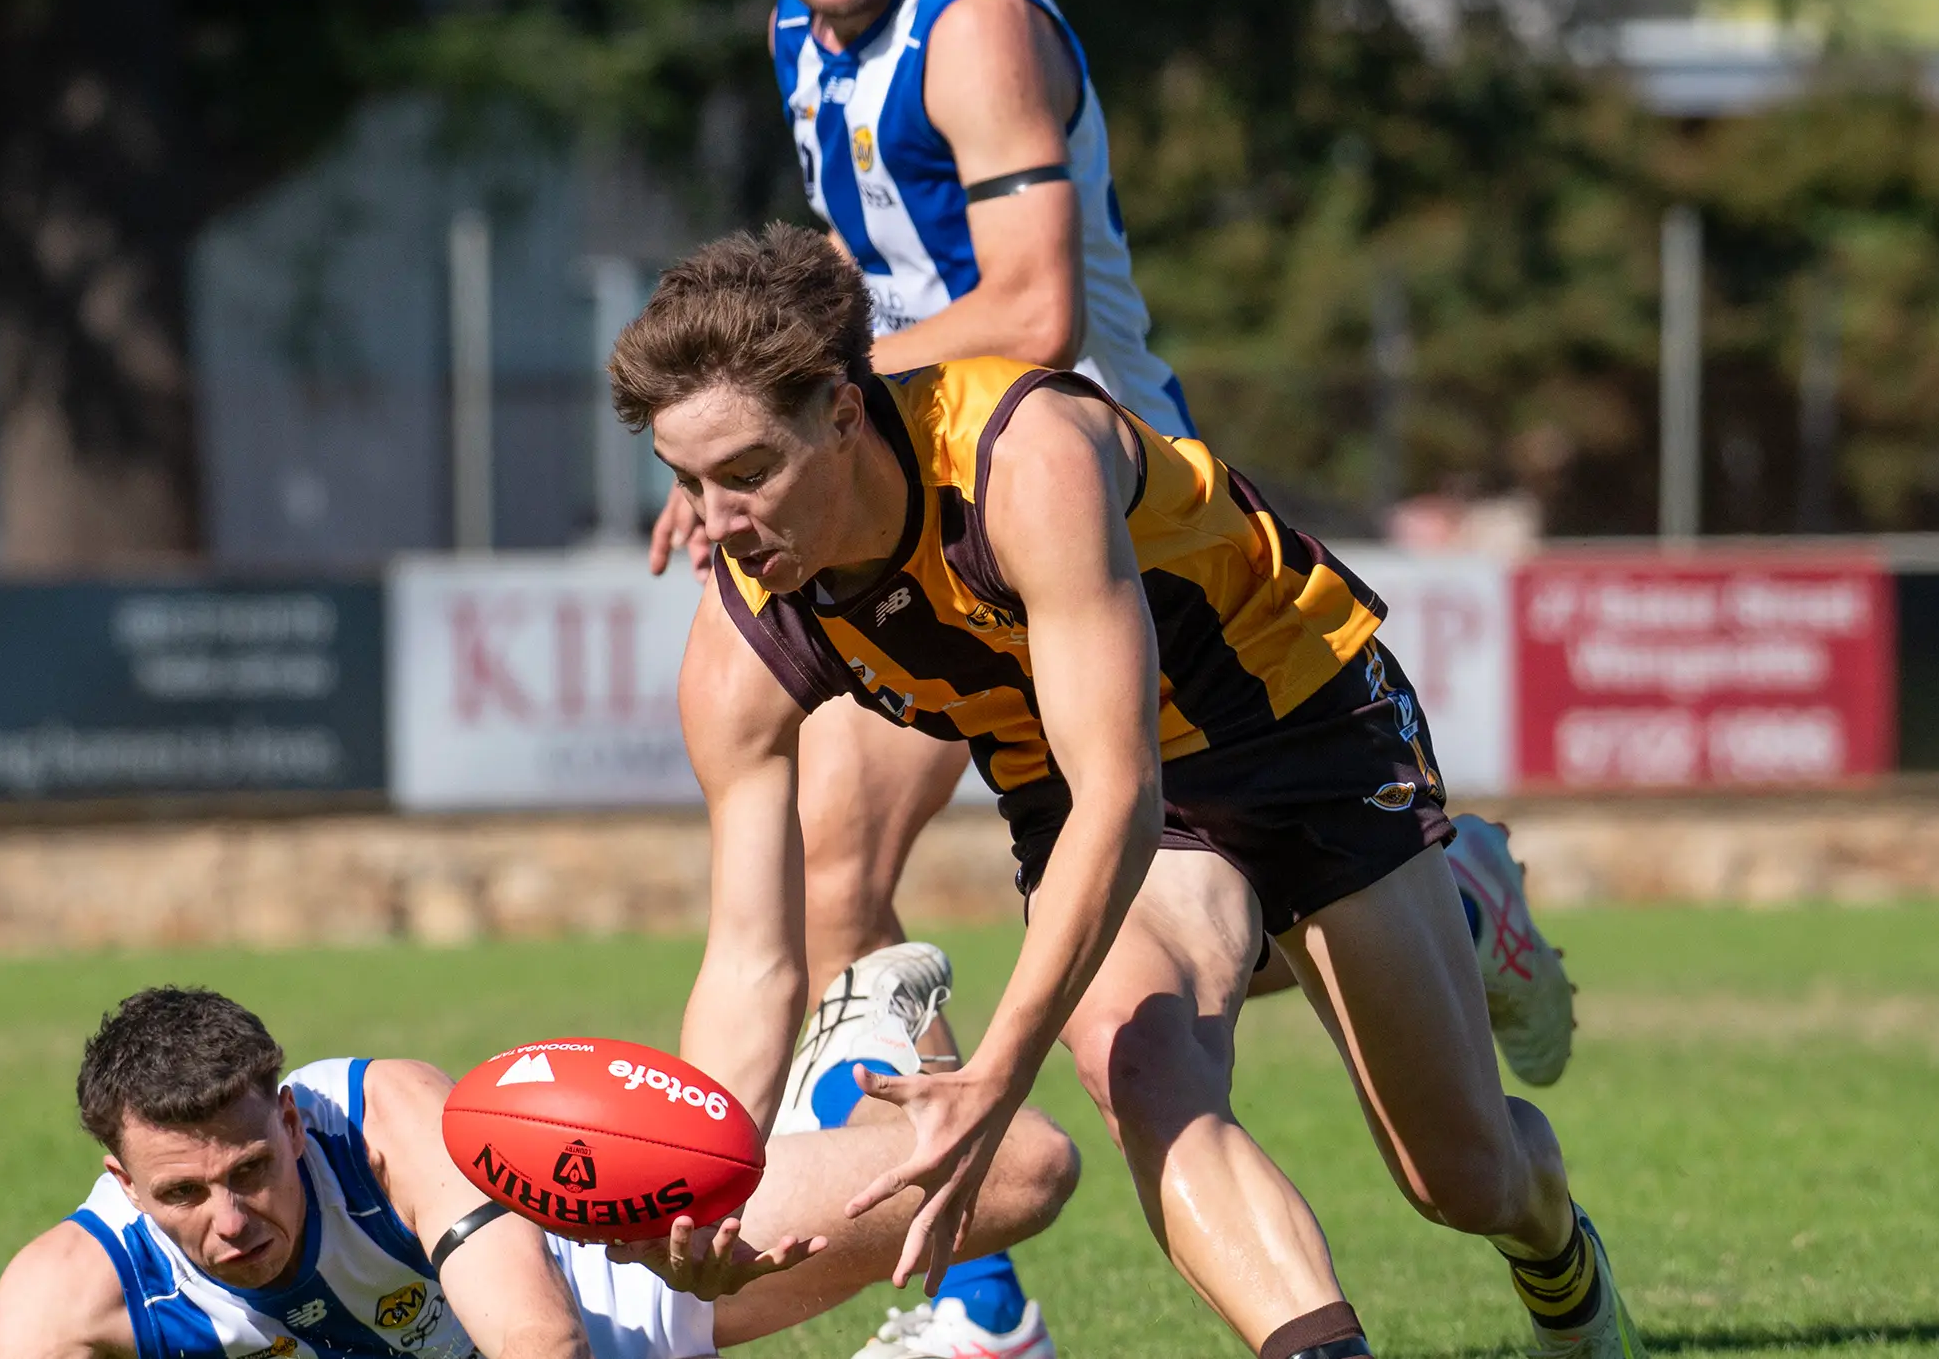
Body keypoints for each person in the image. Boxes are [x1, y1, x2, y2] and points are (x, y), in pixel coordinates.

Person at [655, 0, 1576, 1350]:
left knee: (1433, 1152)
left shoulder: (975, 26)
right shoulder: (805, 34)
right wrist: (749, 440)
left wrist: (790, 405)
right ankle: (978, 1289)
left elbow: (1032, 309)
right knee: (848, 886)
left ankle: (1426, 889)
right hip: (902, 491)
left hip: (1094, 526)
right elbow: (846, 275)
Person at [606, 225, 1647, 1359]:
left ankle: (1549, 1223)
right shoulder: (741, 636)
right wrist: (693, 1181)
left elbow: (1125, 794)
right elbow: (755, 957)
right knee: (1138, 1061)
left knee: (1462, 1178)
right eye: (687, 483)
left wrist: (995, 1073)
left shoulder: (1024, 455)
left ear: (846, 416)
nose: (718, 526)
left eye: (749, 472)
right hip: (1079, 777)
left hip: (1293, 720)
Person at [0, 985, 1079, 1359]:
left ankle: (845, 1075)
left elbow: (540, 1339)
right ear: (123, 1186)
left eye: (250, 1170)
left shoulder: (385, 1122)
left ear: (288, 1123)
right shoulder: (66, 1299)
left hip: (605, 1283)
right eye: (182, 1194)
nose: (228, 1220)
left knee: (1025, 1168)